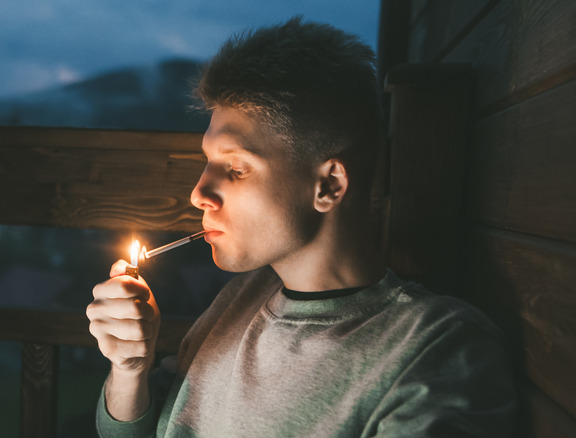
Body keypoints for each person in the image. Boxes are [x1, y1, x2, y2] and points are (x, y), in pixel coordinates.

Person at [86, 17, 517, 437]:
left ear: (328, 185)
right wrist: (129, 370)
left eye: (235, 167)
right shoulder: (241, 297)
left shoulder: (436, 349)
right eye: (208, 162)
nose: (199, 193)